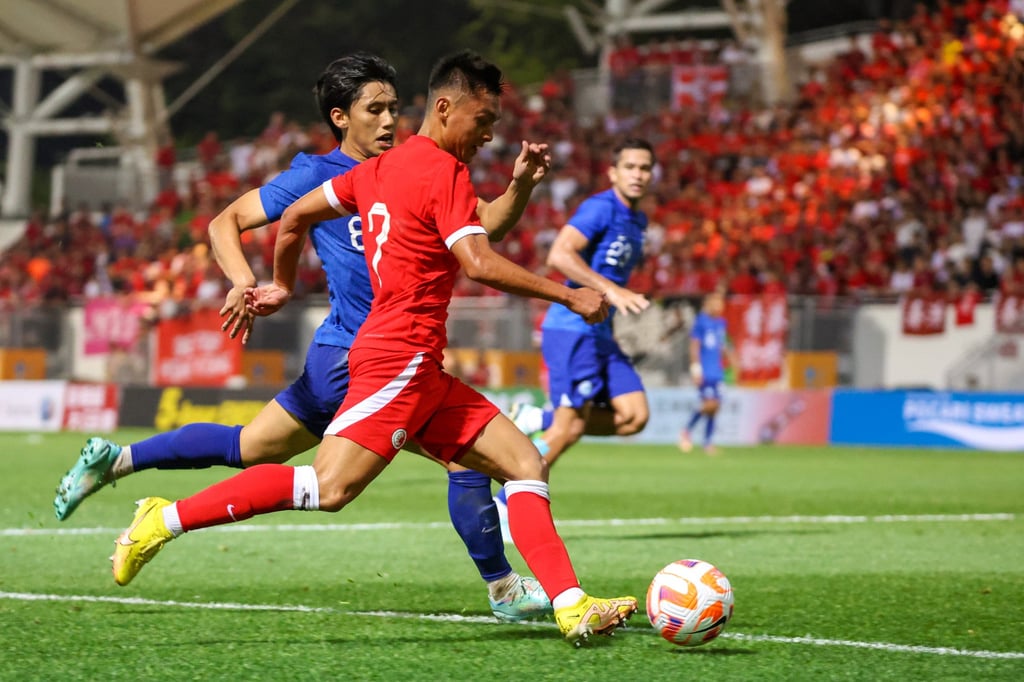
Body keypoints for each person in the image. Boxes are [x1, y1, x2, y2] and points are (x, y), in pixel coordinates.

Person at [108, 50, 637, 646]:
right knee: (327, 488)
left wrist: (282, 282)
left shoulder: (383, 168)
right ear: (445, 107)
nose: (489, 135)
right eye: (484, 120)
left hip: (418, 364)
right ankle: (164, 518)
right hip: (396, 356)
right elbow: (478, 261)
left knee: (524, 463)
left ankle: (571, 604)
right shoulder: (442, 170)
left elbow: (297, 217)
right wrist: (569, 295)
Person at [501, 139, 655, 509]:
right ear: (613, 173)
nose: (638, 174)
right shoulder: (601, 208)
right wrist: (611, 290)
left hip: (600, 332)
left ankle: (539, 417)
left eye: (645, 168)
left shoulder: (638, 219)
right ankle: (507, 503)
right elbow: (559, 255)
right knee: (567, 429)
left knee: (634, 416)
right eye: (630, 167)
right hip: (572, 329)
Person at [679, 290, 735, 454]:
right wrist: (696, 369)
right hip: (705, 370)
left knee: (715, 407)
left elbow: (722, 344)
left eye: (721, 304)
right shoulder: (701, 322)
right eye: (716, 303)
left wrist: (731, 358)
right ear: (708, 305)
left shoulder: (721, 323)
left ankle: (707, 442)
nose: (719, 307)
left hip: (717, 371)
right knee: (709, 404)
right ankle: (687, 430)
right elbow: (694, 346)